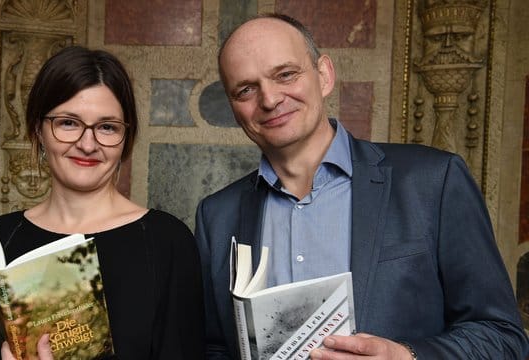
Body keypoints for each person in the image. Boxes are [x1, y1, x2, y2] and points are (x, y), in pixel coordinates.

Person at [194, 13, 529, 359]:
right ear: (233, 107)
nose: (269, 99)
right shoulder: (216, 216)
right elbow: (216, 347)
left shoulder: (433, 181)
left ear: (324, 75)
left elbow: (503, 338)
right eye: (245, 89)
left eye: (285, 74)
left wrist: (406, 356)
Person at [0, 45, 205, 359]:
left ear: (126, 139)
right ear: (38, 130)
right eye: (68, 123)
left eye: (107, 127)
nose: (87, 143)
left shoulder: (168, 242)